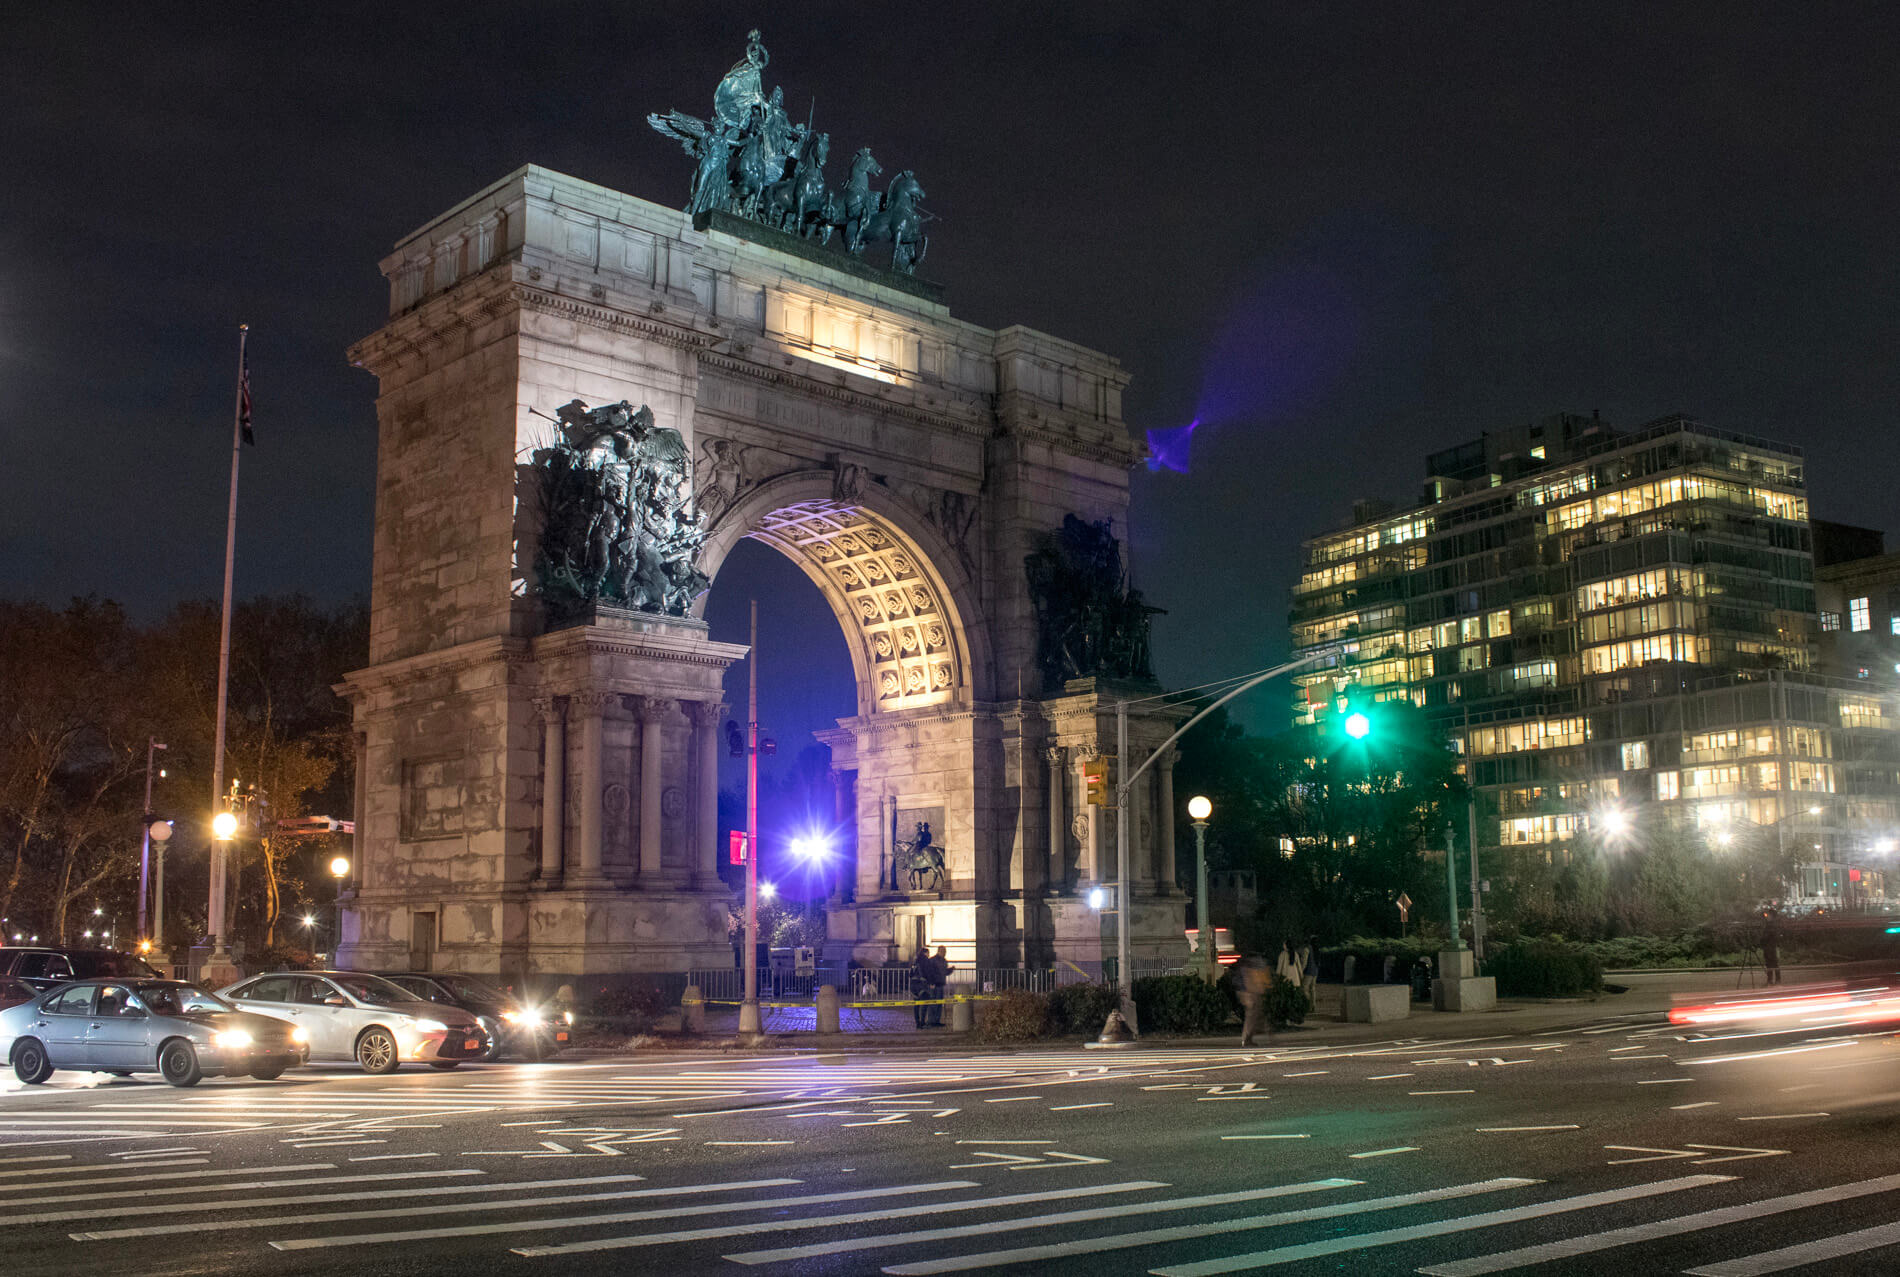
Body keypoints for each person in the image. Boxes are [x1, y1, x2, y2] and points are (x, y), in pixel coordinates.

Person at [1237, 954, 1271, 1047]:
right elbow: (1251, 983)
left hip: (1249, 993)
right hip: (1249, 994)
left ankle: (1248, 1038)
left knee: (1252, 1017)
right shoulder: (1250, 968)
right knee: (1251, 1017)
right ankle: (1247, 1038)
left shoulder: (1248, 967)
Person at [928, 945, 952, 1027]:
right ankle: (931, 1021)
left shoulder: (944, 961)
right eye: (943, 951)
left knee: (939, 1004)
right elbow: (930, 973)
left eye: (945, 951)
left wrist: (950, 970)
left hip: (941, 984)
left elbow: (945, 972)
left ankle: (936, 1021)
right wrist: (931, 982)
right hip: (934, 984)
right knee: (933, 1003)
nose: (944, 953)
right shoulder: (933, 960)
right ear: (938, 951)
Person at [910, 951, 932, 1028]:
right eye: (928, 953)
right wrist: (930, 982)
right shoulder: (926, 960)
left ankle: (917, 1022)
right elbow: (928, 973)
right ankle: (922, 1022)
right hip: (922, 985)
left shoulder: (915, 962)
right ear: (926, 953)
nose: (929, 955)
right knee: (924, 1003)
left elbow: (910, 974)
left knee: (916, 1005)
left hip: (913, 985)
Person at [1761, 909, 1782, 985]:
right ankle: (1771, 980)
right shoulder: (1770, 925)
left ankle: (1776, 980)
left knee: (1774, 963)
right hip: (1768, 947)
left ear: (1772, 916)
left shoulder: (1772, 925)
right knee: (1769, 964)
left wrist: (1763, 939)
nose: (1767, 916)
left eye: (1768, 915)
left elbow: (1771, 936)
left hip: (1772, 947)